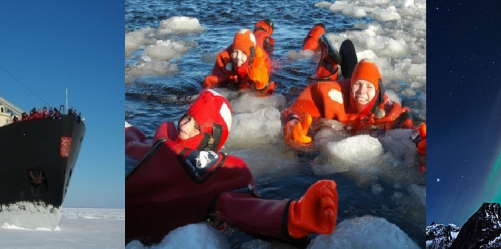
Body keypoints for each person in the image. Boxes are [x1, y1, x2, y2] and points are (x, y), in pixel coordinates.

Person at [125, 89, 338, 244]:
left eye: (196, 126)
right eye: (187, 118)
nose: (184, 127)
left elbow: (243, 207)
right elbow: (132, 139)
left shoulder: (210, 173)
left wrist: (295, 215)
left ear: (211, 138)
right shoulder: (160, 139)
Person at [281, 59, 414, 149]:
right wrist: (293, 121)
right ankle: (330, 66)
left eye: (369, 87)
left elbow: (407, 126)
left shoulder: (387, 108)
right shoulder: (329, 93)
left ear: (377, 91)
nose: (362, 92)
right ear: (351, 86)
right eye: (358, 85)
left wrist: (419, 142)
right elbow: (298, 109)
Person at [203, 29, 276, 95]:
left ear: (249, 55)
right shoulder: (224, 58)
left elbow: (269, 90)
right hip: (237, 77)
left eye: (243, 53)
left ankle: (262, 28)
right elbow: (211, 81)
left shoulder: (259, 61)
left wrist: (261, 83)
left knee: (275, 65)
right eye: (235, 52)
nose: (238, 57)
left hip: (260, 63)